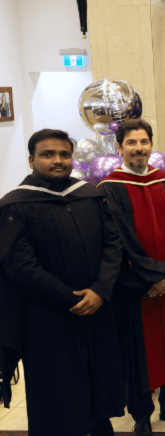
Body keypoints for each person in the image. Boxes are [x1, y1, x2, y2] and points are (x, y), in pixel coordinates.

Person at [0, 129, 125, 436]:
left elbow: (114, 245)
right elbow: (21, 267)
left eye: (64, 154)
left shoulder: (90, 195)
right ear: (31, 159)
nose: (57, 161)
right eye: (47, 154)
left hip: (96, 312)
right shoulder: (16, 205)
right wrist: (73, 300)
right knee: (59, 395)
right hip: (49, 319)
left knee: (99, 387)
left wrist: (100, 291)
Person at [100, 119, 165, 435]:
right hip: (136, 288)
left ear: (151, 145)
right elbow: (120, 243)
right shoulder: (109, 189)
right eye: (131, 142)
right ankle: (142, 414)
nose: (139, 148)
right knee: (138, 353)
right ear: (119, 147)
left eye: (144, 141)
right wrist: (153, 278)